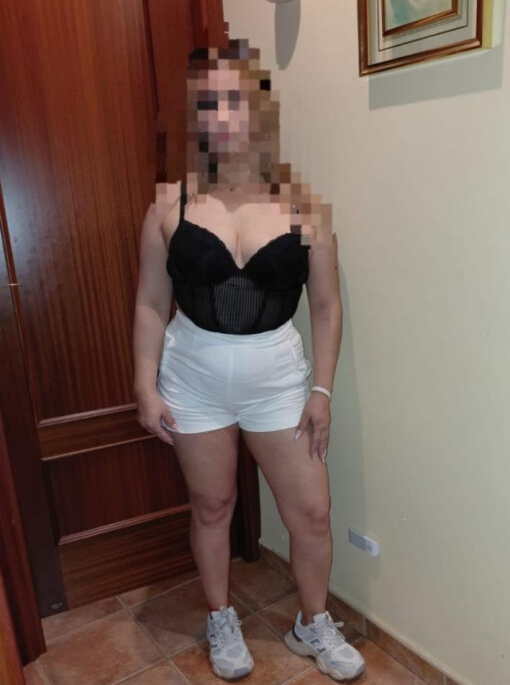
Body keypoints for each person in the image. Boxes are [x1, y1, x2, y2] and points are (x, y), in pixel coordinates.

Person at [132, 39, 365, 681]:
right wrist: (145, 385)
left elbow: (326, 308)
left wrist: (322, 392)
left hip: (278, 380)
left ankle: (312, 623)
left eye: (234, 101)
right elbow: (150, 303)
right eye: (208, 104)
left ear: (261, 111)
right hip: (192, 377)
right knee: (212, 506)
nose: (222, 117)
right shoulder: (169, 204)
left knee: (311, 511)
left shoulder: (305, 208)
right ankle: (220, 617)